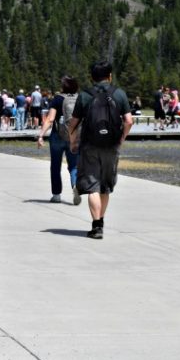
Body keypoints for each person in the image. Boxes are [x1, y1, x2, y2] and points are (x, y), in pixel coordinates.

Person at [67, 60, 134, 240]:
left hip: (90, 145)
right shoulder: (119, 94)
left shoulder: (85, 95)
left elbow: (73, 123)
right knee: (105, 186)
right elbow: (129, 121)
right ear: (110, 76)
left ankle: (96, 226)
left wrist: (73, 142)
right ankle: (101, 222)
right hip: (111, 145)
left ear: (92, 77)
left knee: (92, 186)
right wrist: (121, 139)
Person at [36, 75, 80, 205]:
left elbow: (50, 119)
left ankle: (56, 195)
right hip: (74, 136)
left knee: (55, 165)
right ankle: (75, 186)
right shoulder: (80, 99)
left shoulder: (58, 99)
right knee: (73, 165)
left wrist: (41, 135)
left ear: (63, 87)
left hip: (57, 136)